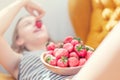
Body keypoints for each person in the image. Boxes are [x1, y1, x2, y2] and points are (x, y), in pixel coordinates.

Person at [0, 0, 69, 80]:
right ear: (18, 40)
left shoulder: (69, 49)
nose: (35, 24)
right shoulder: (17, 62)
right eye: (27, 24)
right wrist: (23, 2)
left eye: (38, 21)